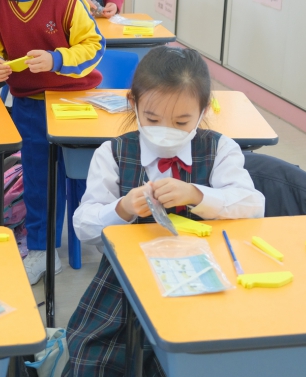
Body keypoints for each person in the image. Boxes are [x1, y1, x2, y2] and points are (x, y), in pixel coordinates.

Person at [63, 46, 265, 376]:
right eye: (153, 119)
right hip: (125, 287)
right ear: (133, 103)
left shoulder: (219, 149)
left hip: (204, 281)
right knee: (97, 363)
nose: (166, 129)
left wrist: (197, 194)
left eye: (182, 121)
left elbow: (253, 205)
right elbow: (83, 226)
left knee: (204, 361)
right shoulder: (113, 153)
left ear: (203, 110)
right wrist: (122, 208)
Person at [0, 0, 105, 284]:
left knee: (86, 177)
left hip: (74, 104)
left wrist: (56, 59)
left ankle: (99, 235)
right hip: (29, 104)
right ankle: (42, 250)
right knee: (38, 181)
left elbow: (94, 46)